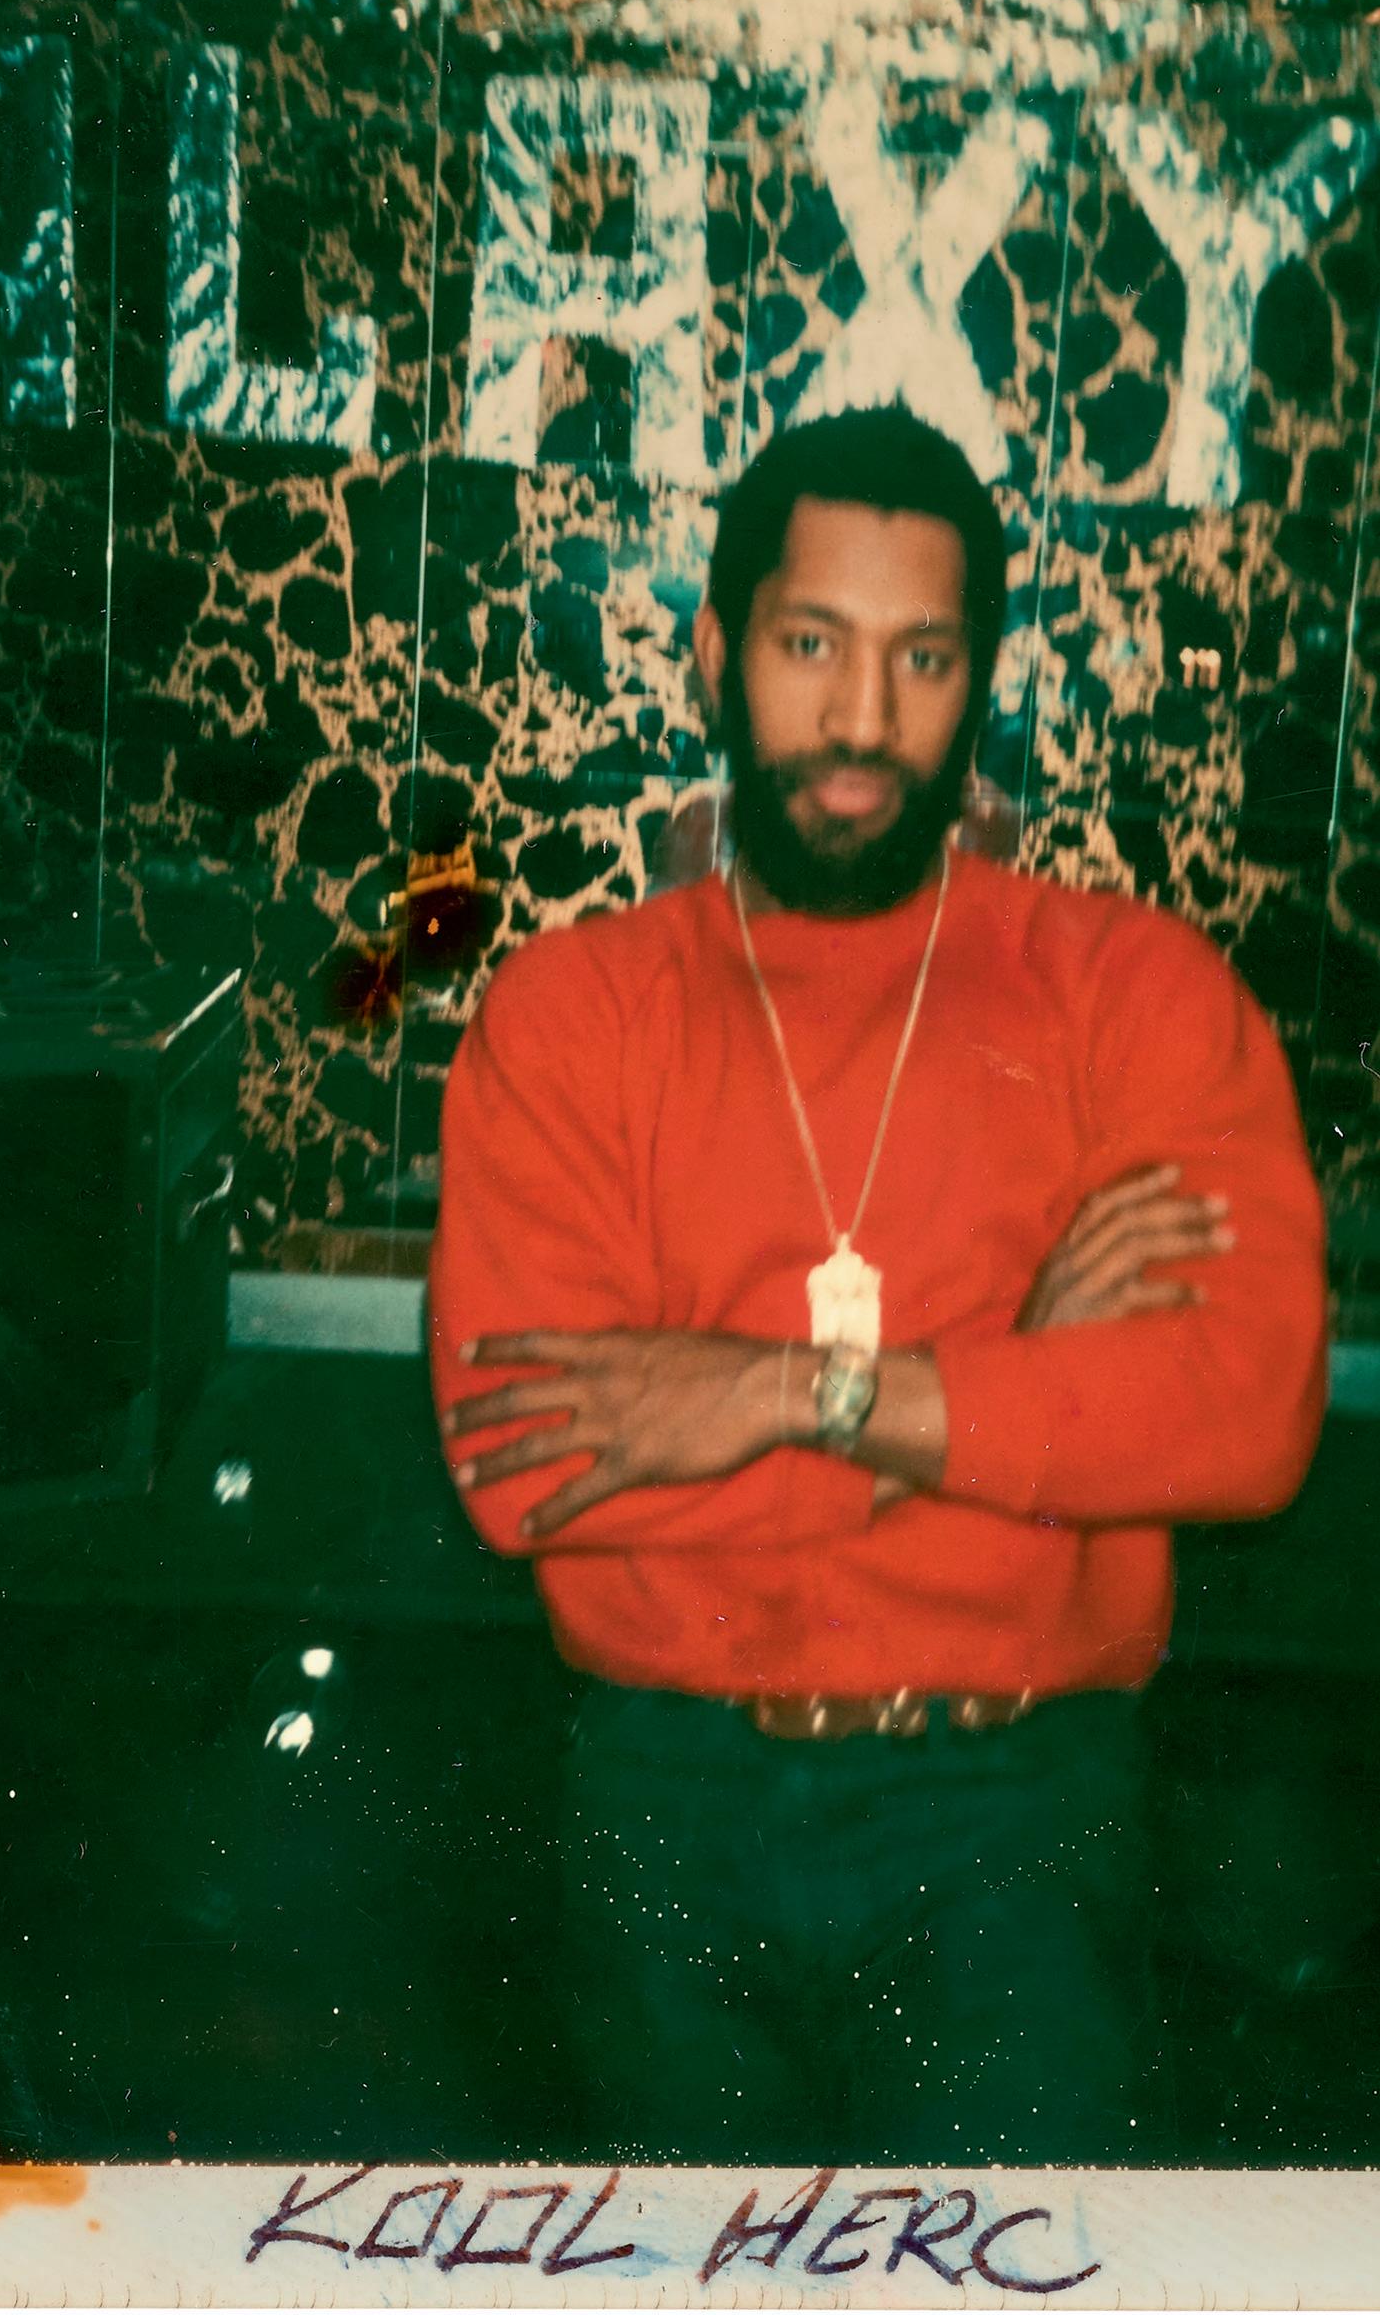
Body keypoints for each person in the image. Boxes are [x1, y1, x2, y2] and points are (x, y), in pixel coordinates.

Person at [428, 405, 1327, 2168]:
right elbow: (530, 1470)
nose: (861, 720)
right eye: (810, 645)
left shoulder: (1133, 993)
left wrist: (775, 1395)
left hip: (1020, 1819)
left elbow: (1245, 1416)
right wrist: (1020, 1405)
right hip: (666, 1807)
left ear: (978, 678)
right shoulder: (567, 1016)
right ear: (715, 654)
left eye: (922, 658)